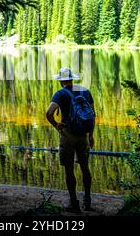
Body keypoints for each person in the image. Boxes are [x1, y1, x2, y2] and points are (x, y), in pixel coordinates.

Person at [45, 67, 95, 213]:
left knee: (69, 169)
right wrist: (90, 135)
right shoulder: (85, 92)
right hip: (84, 135)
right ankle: (88, 201)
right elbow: (92, 115)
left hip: (68, 135)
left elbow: (49, 113)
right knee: (85, 167)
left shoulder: (60, 94)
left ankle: (74, 203)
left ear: (61, 81)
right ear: (72, 79)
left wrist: (57, 126)